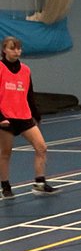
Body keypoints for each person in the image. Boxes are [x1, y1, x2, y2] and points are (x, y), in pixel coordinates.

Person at [0, 36, 57, 197]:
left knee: (41, 147)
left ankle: (39, 182)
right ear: (4, 50)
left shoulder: (25, 69)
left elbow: (29, 94)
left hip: (24, 116)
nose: (16, 51)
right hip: (6, 117)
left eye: (18, 48)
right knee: (5, 152)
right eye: (12, 48)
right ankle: (5, 186)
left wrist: (36, 115)